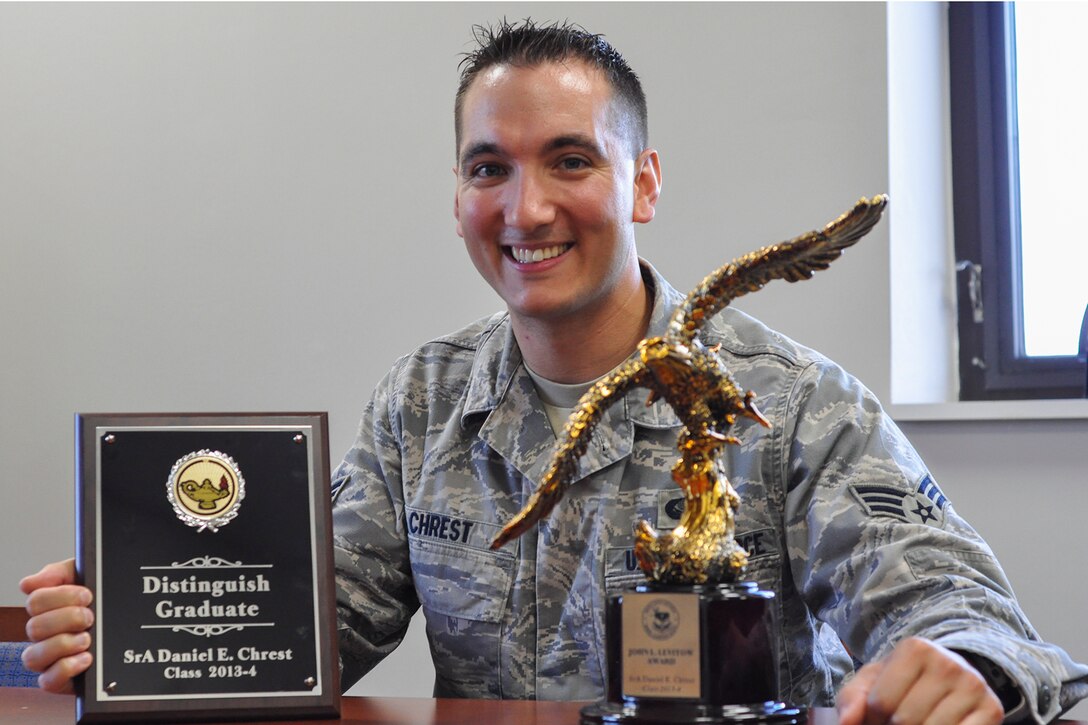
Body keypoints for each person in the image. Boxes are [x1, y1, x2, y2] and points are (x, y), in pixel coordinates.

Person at [19, 19, 1088, 725]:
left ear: (642, 183)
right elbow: (311, 626)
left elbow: (956, 606)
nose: (525, 210)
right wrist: (153, 625)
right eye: (491, 168)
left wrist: (968, 666)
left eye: (569, 160)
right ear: (457, 196)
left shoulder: (791, 399)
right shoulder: (422, 402)